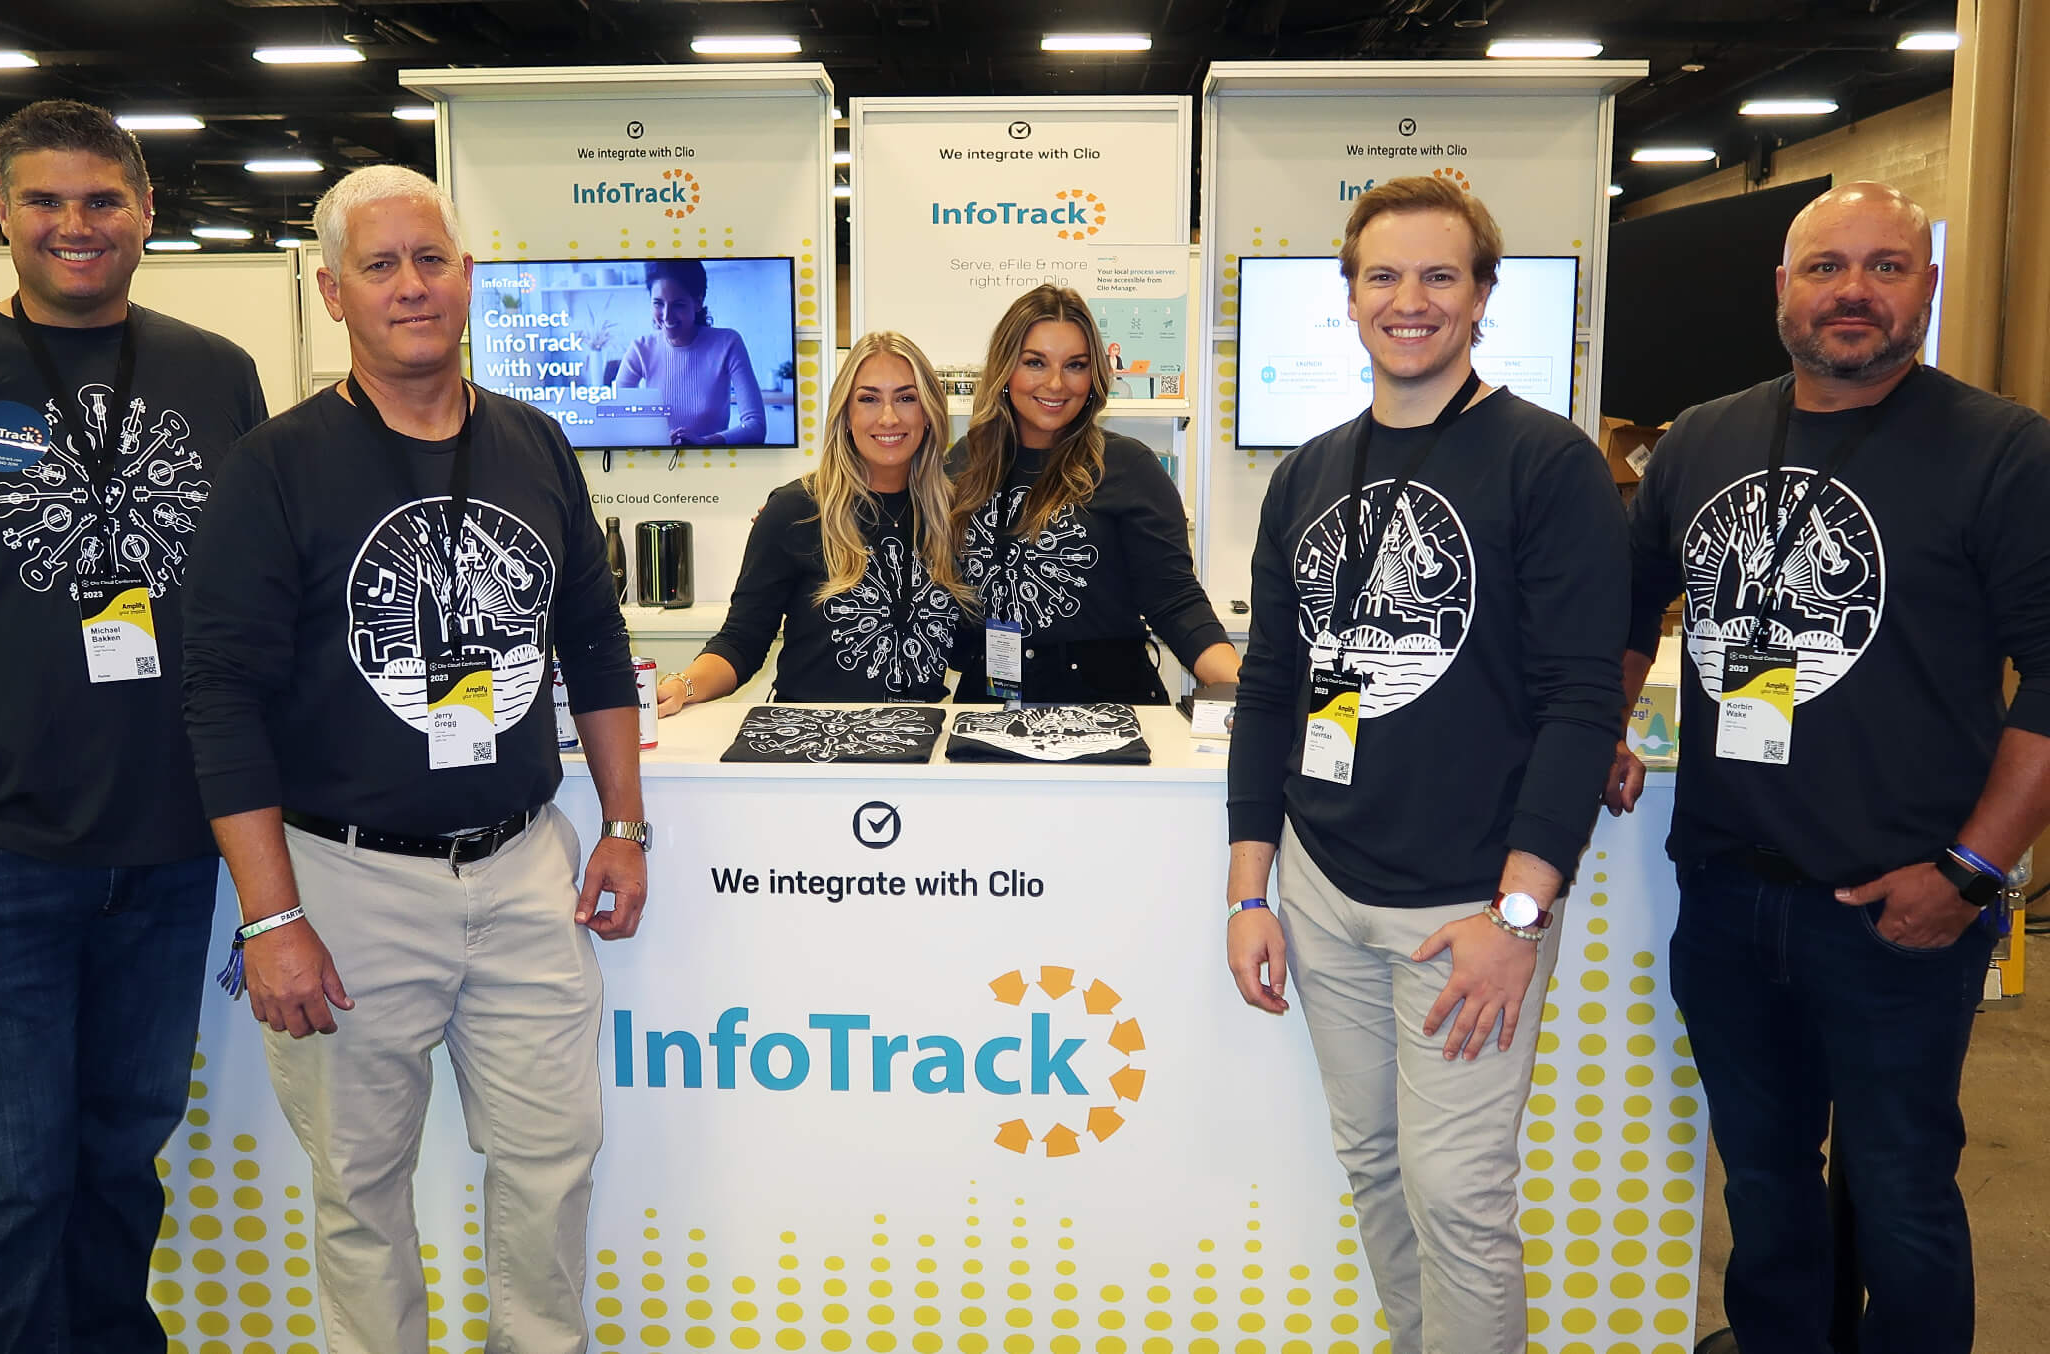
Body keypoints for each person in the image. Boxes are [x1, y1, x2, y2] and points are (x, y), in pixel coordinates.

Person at [1608, 181, 2050, 1353]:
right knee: (1764, 1182)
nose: (1854, 292)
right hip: (1726, 893)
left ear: (1926, 285)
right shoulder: (1705, 438)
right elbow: (1624, 607)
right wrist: (1602, 729)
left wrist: (1971, 872)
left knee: (1901, 1186)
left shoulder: (2007, 454)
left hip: (1901, 905)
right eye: (1827, 267)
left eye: (1887, 266)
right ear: (1782, 288)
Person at [181, 165, 651, 1354]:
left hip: (525, 868)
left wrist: (625, 824)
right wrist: (269, 918)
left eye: (430, 260)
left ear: (468, 277)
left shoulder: (534, 443)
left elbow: (593, 645)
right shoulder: (275, 468)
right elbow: (221, 699)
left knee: (551, 1164)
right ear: (333, 292)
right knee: (362, 1192)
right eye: (380, 267)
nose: (411, 287)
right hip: (345, 883)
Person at [0, 99, 265, 1352]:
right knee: (13, 1180)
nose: (75, 225)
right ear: (3, 215)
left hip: (166, 848)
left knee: (118, 1160)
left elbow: (253, 602)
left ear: (148, 213)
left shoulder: (212, 370)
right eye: (46, 201)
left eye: (102, 200)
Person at [1223, 174, 1626, 1354]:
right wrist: (1252, 886)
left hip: (1465, 909)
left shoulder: (1547, 466)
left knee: (1458, 1196)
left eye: (1440, 275)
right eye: (1384, 276)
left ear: (1482, 297)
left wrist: (1518, 909)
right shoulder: (1309, 472)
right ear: (1349, 299)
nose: (1411, 301)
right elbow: (1270, 689)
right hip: (1324, 889)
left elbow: (1577, 703)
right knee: (1377, 1166)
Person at [948, 285, 1237, 703]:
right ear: (1005, 369)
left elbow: (1174, 600)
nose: (1055, 383)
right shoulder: (965, 465)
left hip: (1109, 711)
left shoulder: (1126, 466)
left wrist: (1244, 685)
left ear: (1093, 375)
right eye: (1035, 362)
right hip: (990, 708)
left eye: (1075, 365)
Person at [659, 330, 969, 712]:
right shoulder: (796, 510)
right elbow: (742, 640)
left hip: (921, 745)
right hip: (815, 749)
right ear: (846, 414)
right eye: (869, 399)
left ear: (929, 413)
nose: (889, 417)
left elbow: (968, 647)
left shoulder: (956, 514)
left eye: (906, 398)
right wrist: (682, 686)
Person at [615, 258, 766, 446]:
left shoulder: (728, 343)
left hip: (714, 464)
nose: (667, 315)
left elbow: (756, 427)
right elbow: (616, 422)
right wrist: (655, 440)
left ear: (698, 302)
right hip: (655, 464)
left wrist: (704, 442)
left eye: (678, 305)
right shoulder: (640, 349)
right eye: (658, 303)